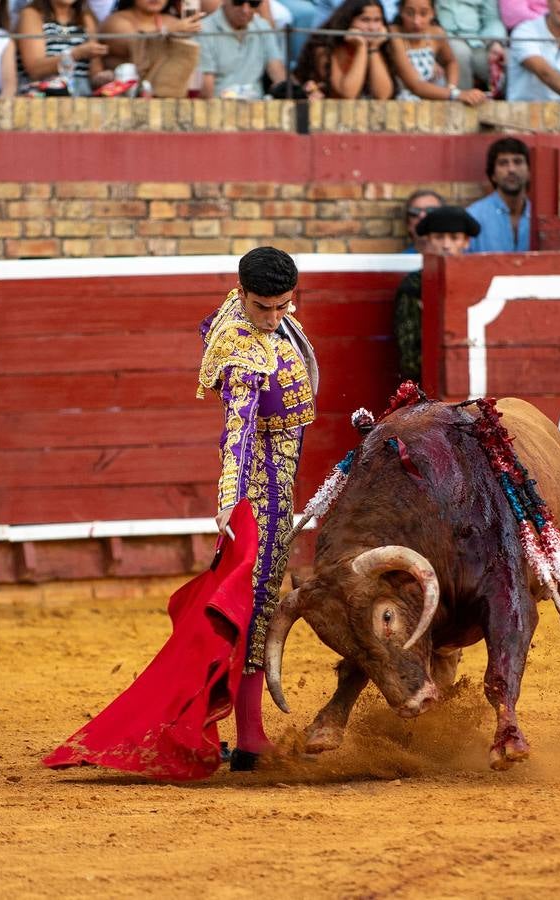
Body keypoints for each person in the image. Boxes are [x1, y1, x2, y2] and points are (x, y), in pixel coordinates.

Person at [198, 246, 318, 772]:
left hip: (279, 479)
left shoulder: (253, 311)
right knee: (258, 601)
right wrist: (230, 500)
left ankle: (242, 730)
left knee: (254, 601)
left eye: (282, 306)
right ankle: (249, 733)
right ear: (242, 293)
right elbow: (238, 432)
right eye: (262, 308)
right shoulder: (242, 353)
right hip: (260, 491)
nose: (273, 319)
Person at [393, 205, 480, 382]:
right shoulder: (414, 286)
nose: (446, 245)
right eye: (439, 237)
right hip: (430, 382)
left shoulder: (478, 281)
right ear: (427, 241)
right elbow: (410, 357)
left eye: (454, 238)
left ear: (466, 242)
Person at [293, 0, 395, 98]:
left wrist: (373, 49)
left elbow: (383, 95)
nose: (372, 28)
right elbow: (348, 94)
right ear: (348, 20)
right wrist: (361, 48)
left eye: (377, 20)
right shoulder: (325, 48)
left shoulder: (380, 45)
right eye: (365, 20)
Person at [389, 0, 485, 102]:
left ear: (433, 13)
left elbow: (450, 62)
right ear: (400, 11)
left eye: (423, 13)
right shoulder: (394, 35)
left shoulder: (436, 33)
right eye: (409, 13)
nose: (416, 21)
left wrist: (451, 87)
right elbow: (415, 86)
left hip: (436, 100)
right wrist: (455, 94)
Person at [100, 0, 203, 88]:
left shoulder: (173, 22)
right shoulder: (115, 20)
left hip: (167, 95)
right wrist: (167, 32)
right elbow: (131, 44)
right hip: (122, 97)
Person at [16, 0, 110, 95]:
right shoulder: (31, 14)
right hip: (43, 95)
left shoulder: (86, 18)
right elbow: (35, 69)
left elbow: (95, 72)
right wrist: (74, 54)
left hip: (82, 94)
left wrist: (104, 77)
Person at [198, 0, 285, 98]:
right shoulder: (203, 31)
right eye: (238, 2)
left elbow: (278, 73)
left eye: (253, 3)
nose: (245, 10)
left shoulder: (263, 27)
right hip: (219, 107)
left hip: (258, 107)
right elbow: (206, 90)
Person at [466, 137, 531, 253]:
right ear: (493, 175)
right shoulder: (474, 217)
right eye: (503, 163)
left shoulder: (540, 217)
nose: (511, 169)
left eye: (518, 162)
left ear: (529, 172)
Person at [434, 0, 506, 89]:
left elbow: (491, 19)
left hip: (477, 39)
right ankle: (461, 99)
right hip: (446, 37)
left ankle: (510, 101)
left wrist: (495, 41)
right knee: (460, 53)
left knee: (505, 59)